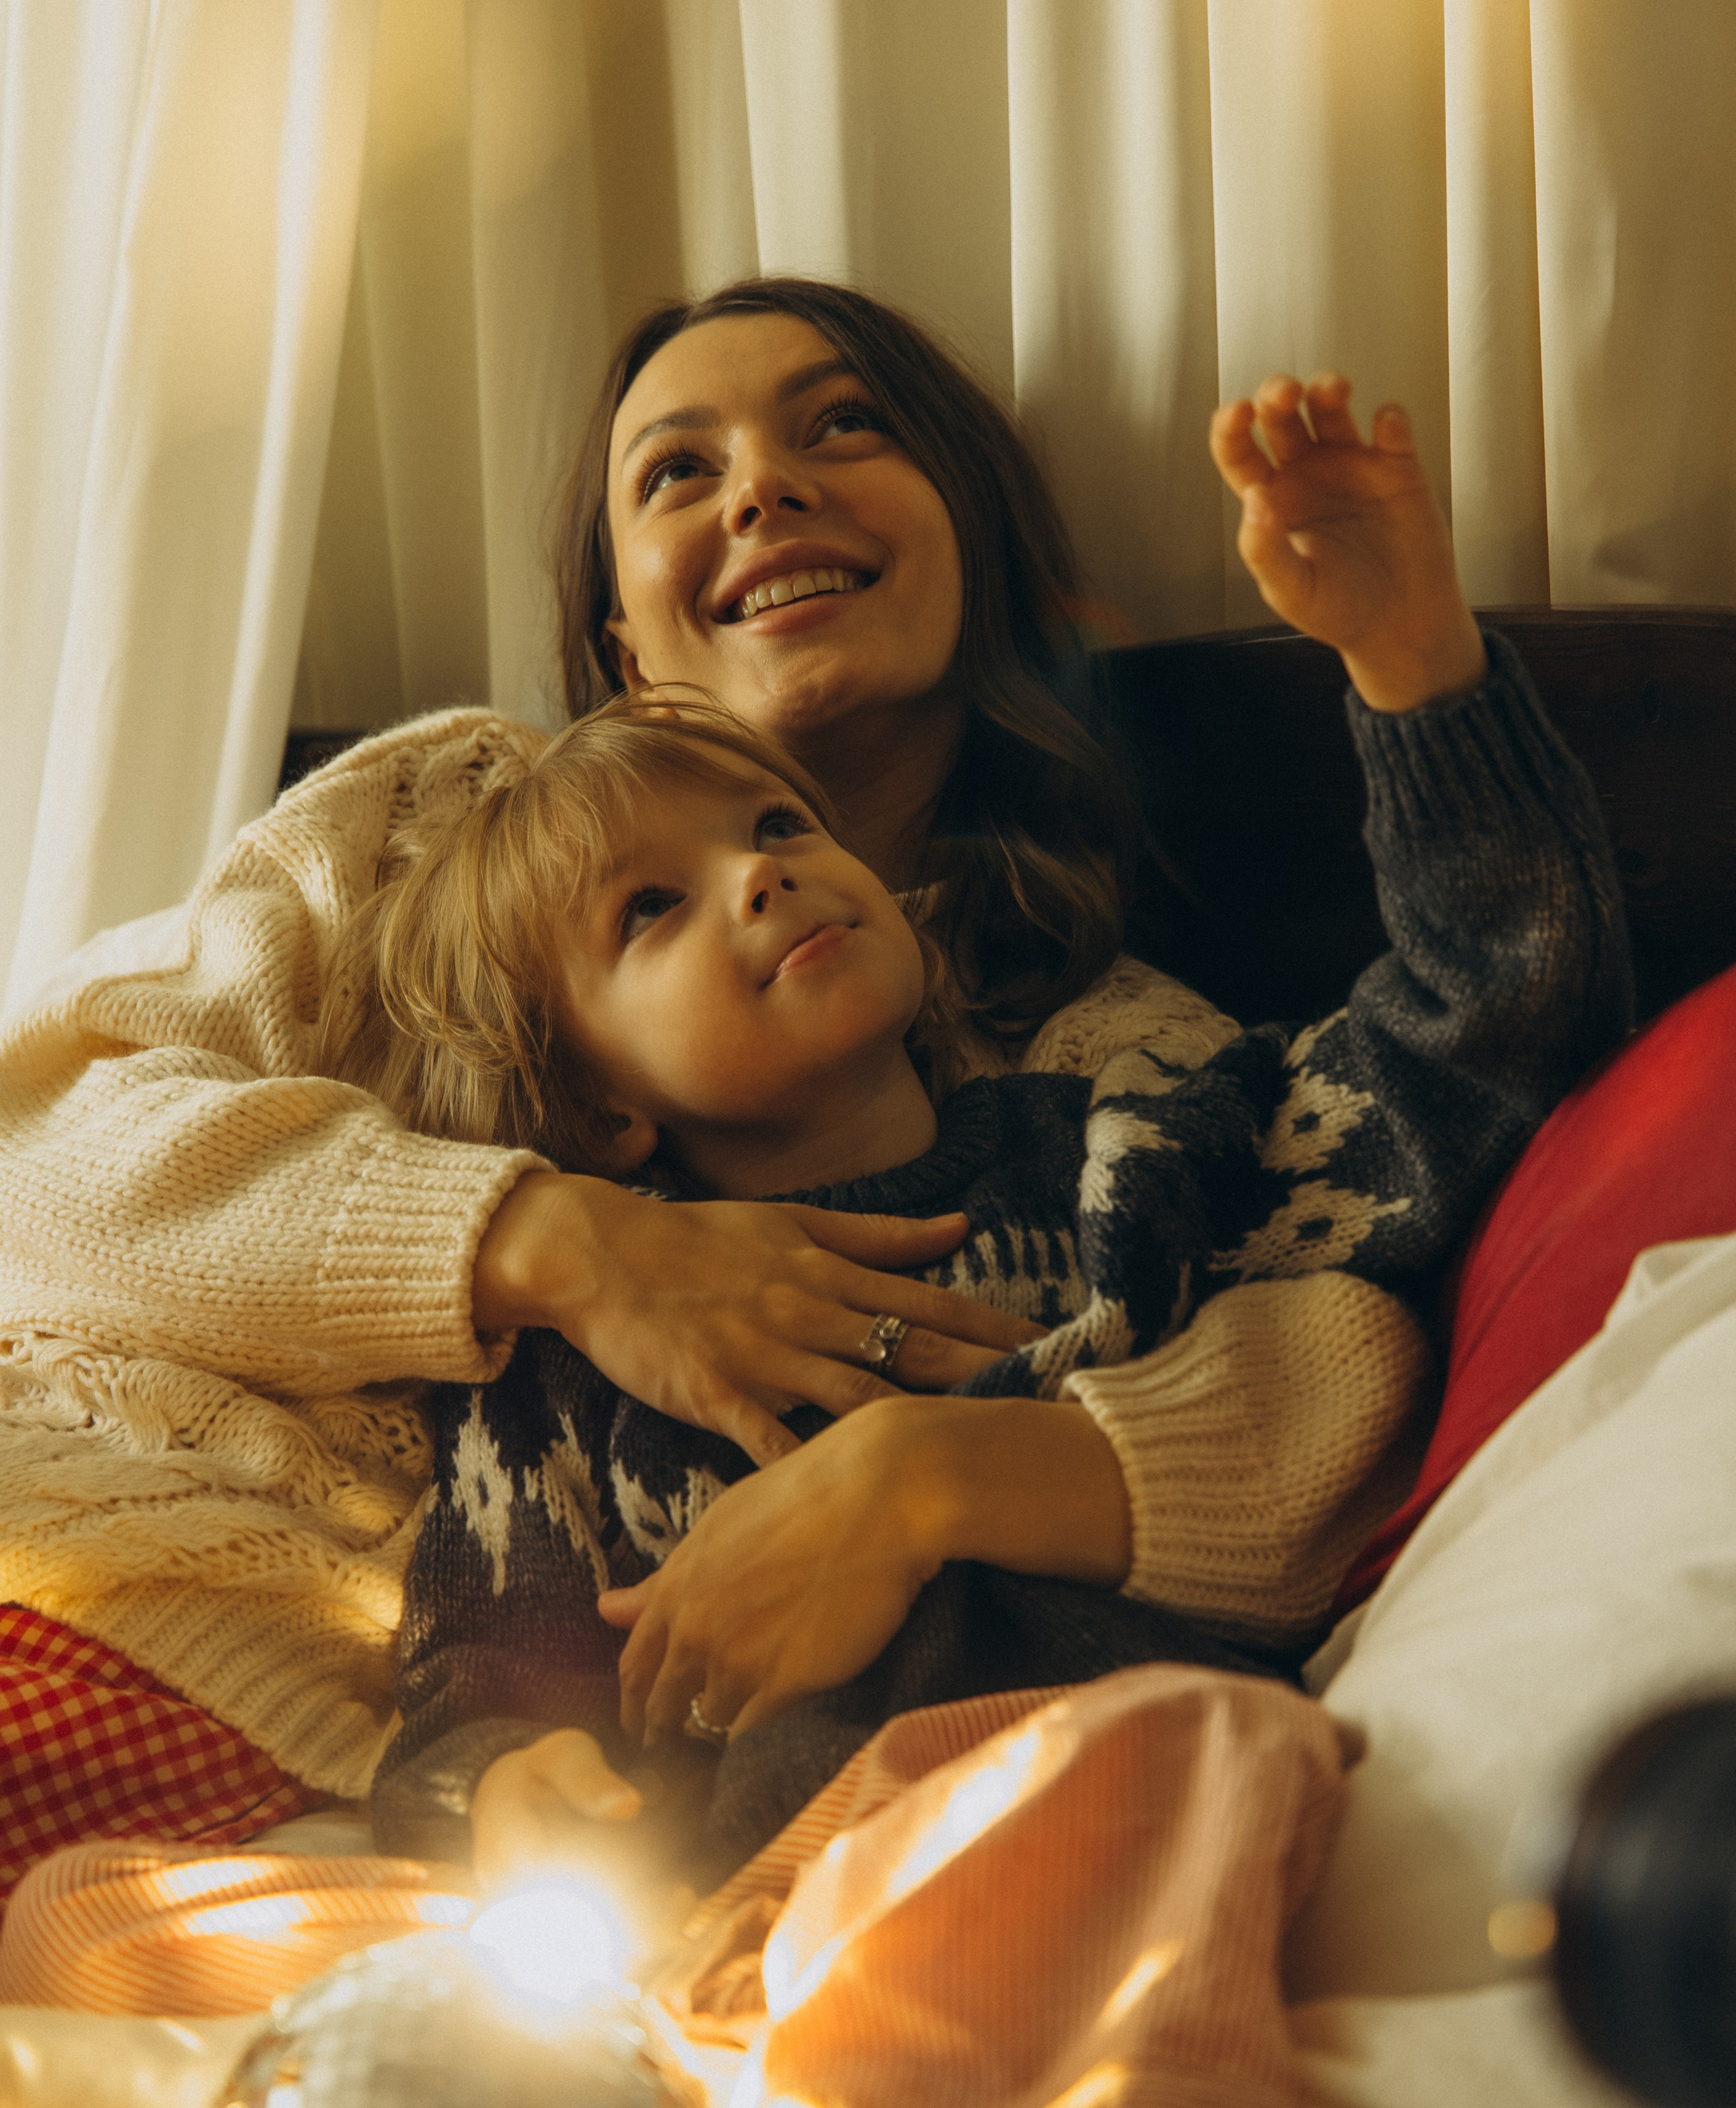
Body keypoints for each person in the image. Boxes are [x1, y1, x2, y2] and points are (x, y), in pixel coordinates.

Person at [0, 276, 1570, 1924]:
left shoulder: (1115, 1089)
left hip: (730, 1833)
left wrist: (1409, 666)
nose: (759, 488)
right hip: (64, 1527)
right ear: (620, 648)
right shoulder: (430, 830)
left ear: (973, 544)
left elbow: (1432, 1140)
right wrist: (553, 1243)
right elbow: (12, 1156)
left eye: (842, 427)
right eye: (676, 472)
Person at [352, 646, 1624, 1896]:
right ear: (597, 1106)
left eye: (780, 823)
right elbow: (466, 1706)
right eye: (650, 907)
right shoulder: (564, 1379)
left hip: (1166, 1804)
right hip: (790, 1898)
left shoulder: (1130, 1148)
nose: (758, 873)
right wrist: (507, 1795)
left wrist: (1415, 663)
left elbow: (1481, 1032)